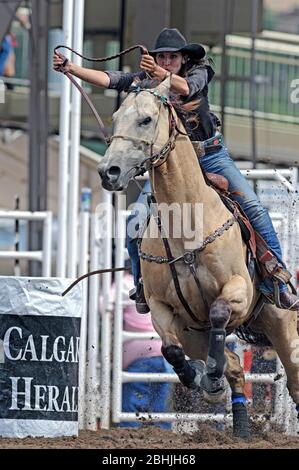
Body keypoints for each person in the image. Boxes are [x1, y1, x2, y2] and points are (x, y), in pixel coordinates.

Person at [53, 27, 299, 312]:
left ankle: (278, 280)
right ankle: (143, 284)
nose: (167, 61)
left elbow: (185, 88)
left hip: (209, 155)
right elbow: (112, 79)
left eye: (172, 57)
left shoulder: (199, 73)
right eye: (162, 57)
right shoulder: (146, 81)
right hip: (168, 164)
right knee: (136, 219)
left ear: (183, 59)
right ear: (156, 58)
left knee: (254, 208)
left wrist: (159, 74)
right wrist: (72, 68)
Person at [117, 273, 173, 428]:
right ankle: (164, 437)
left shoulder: (123, 284)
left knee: (132, 403)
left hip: (138, 357)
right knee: (159, 403)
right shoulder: (157, 282)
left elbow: (103, 306)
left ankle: (128, 435)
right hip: (162, 352)